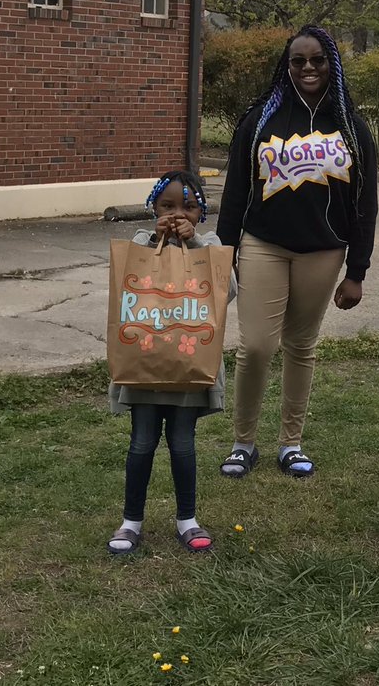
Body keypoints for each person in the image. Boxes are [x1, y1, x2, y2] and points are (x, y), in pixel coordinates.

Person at [216, 25, 378, 480]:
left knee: (300, 346)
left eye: (317, 60)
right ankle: (243, 442)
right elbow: (234, 194)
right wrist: (224, 252)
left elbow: (365, 204)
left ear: (333, 66)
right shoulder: (259, 121)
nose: (308, 68)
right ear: (285, 68)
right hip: (262, 246)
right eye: (298, 61)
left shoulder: (351, 127)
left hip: (324, 252)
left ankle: (290, 442)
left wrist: (357, 270)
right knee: (256, 347)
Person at [107, 170, 231, 556]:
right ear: (153, 208)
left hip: (188, 371)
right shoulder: (140, 245)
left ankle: (187, 519)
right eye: (167, 206)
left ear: (202, 212)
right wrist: (153, 237)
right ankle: (131, 521)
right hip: (144, 369)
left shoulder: (209, 246)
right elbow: (124, 284)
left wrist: (193, 241)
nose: (178, 214)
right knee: (141, 443)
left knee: (182, 444)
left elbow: (228, 294)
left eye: (188, 207)